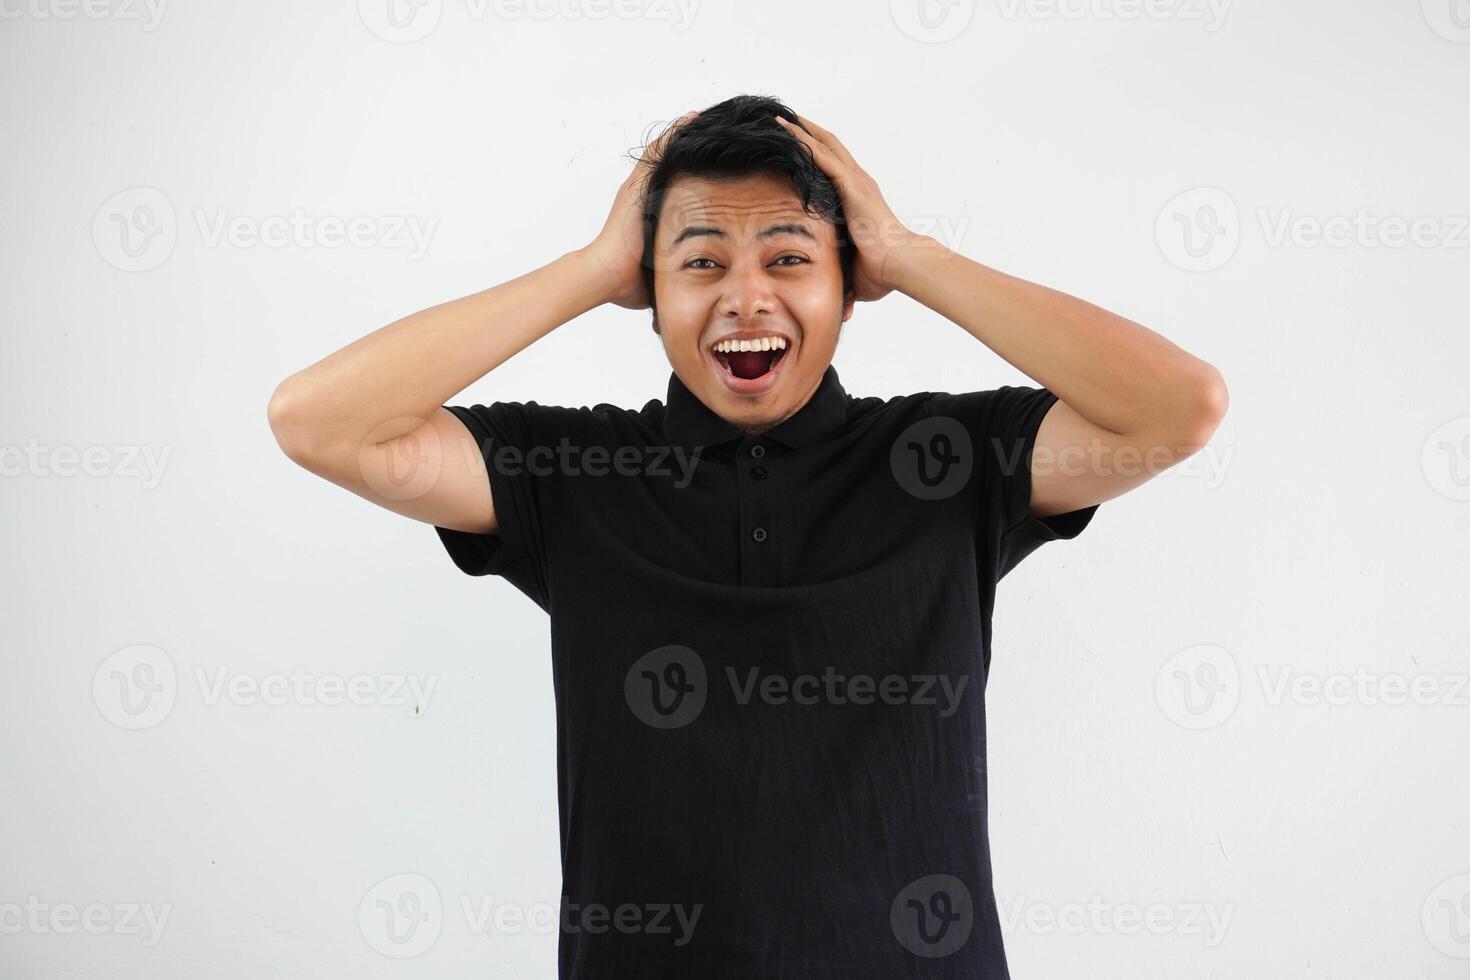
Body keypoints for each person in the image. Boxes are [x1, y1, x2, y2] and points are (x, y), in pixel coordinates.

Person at [267, 94, 1227, 978]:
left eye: (789, 256)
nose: (745, 297)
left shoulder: (947, 459)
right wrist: (593, 267)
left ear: (847, 290)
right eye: (700, 262)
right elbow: (316, 422)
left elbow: (1179, 409)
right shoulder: (574, 474)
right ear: (650, 298)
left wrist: (901, 248)